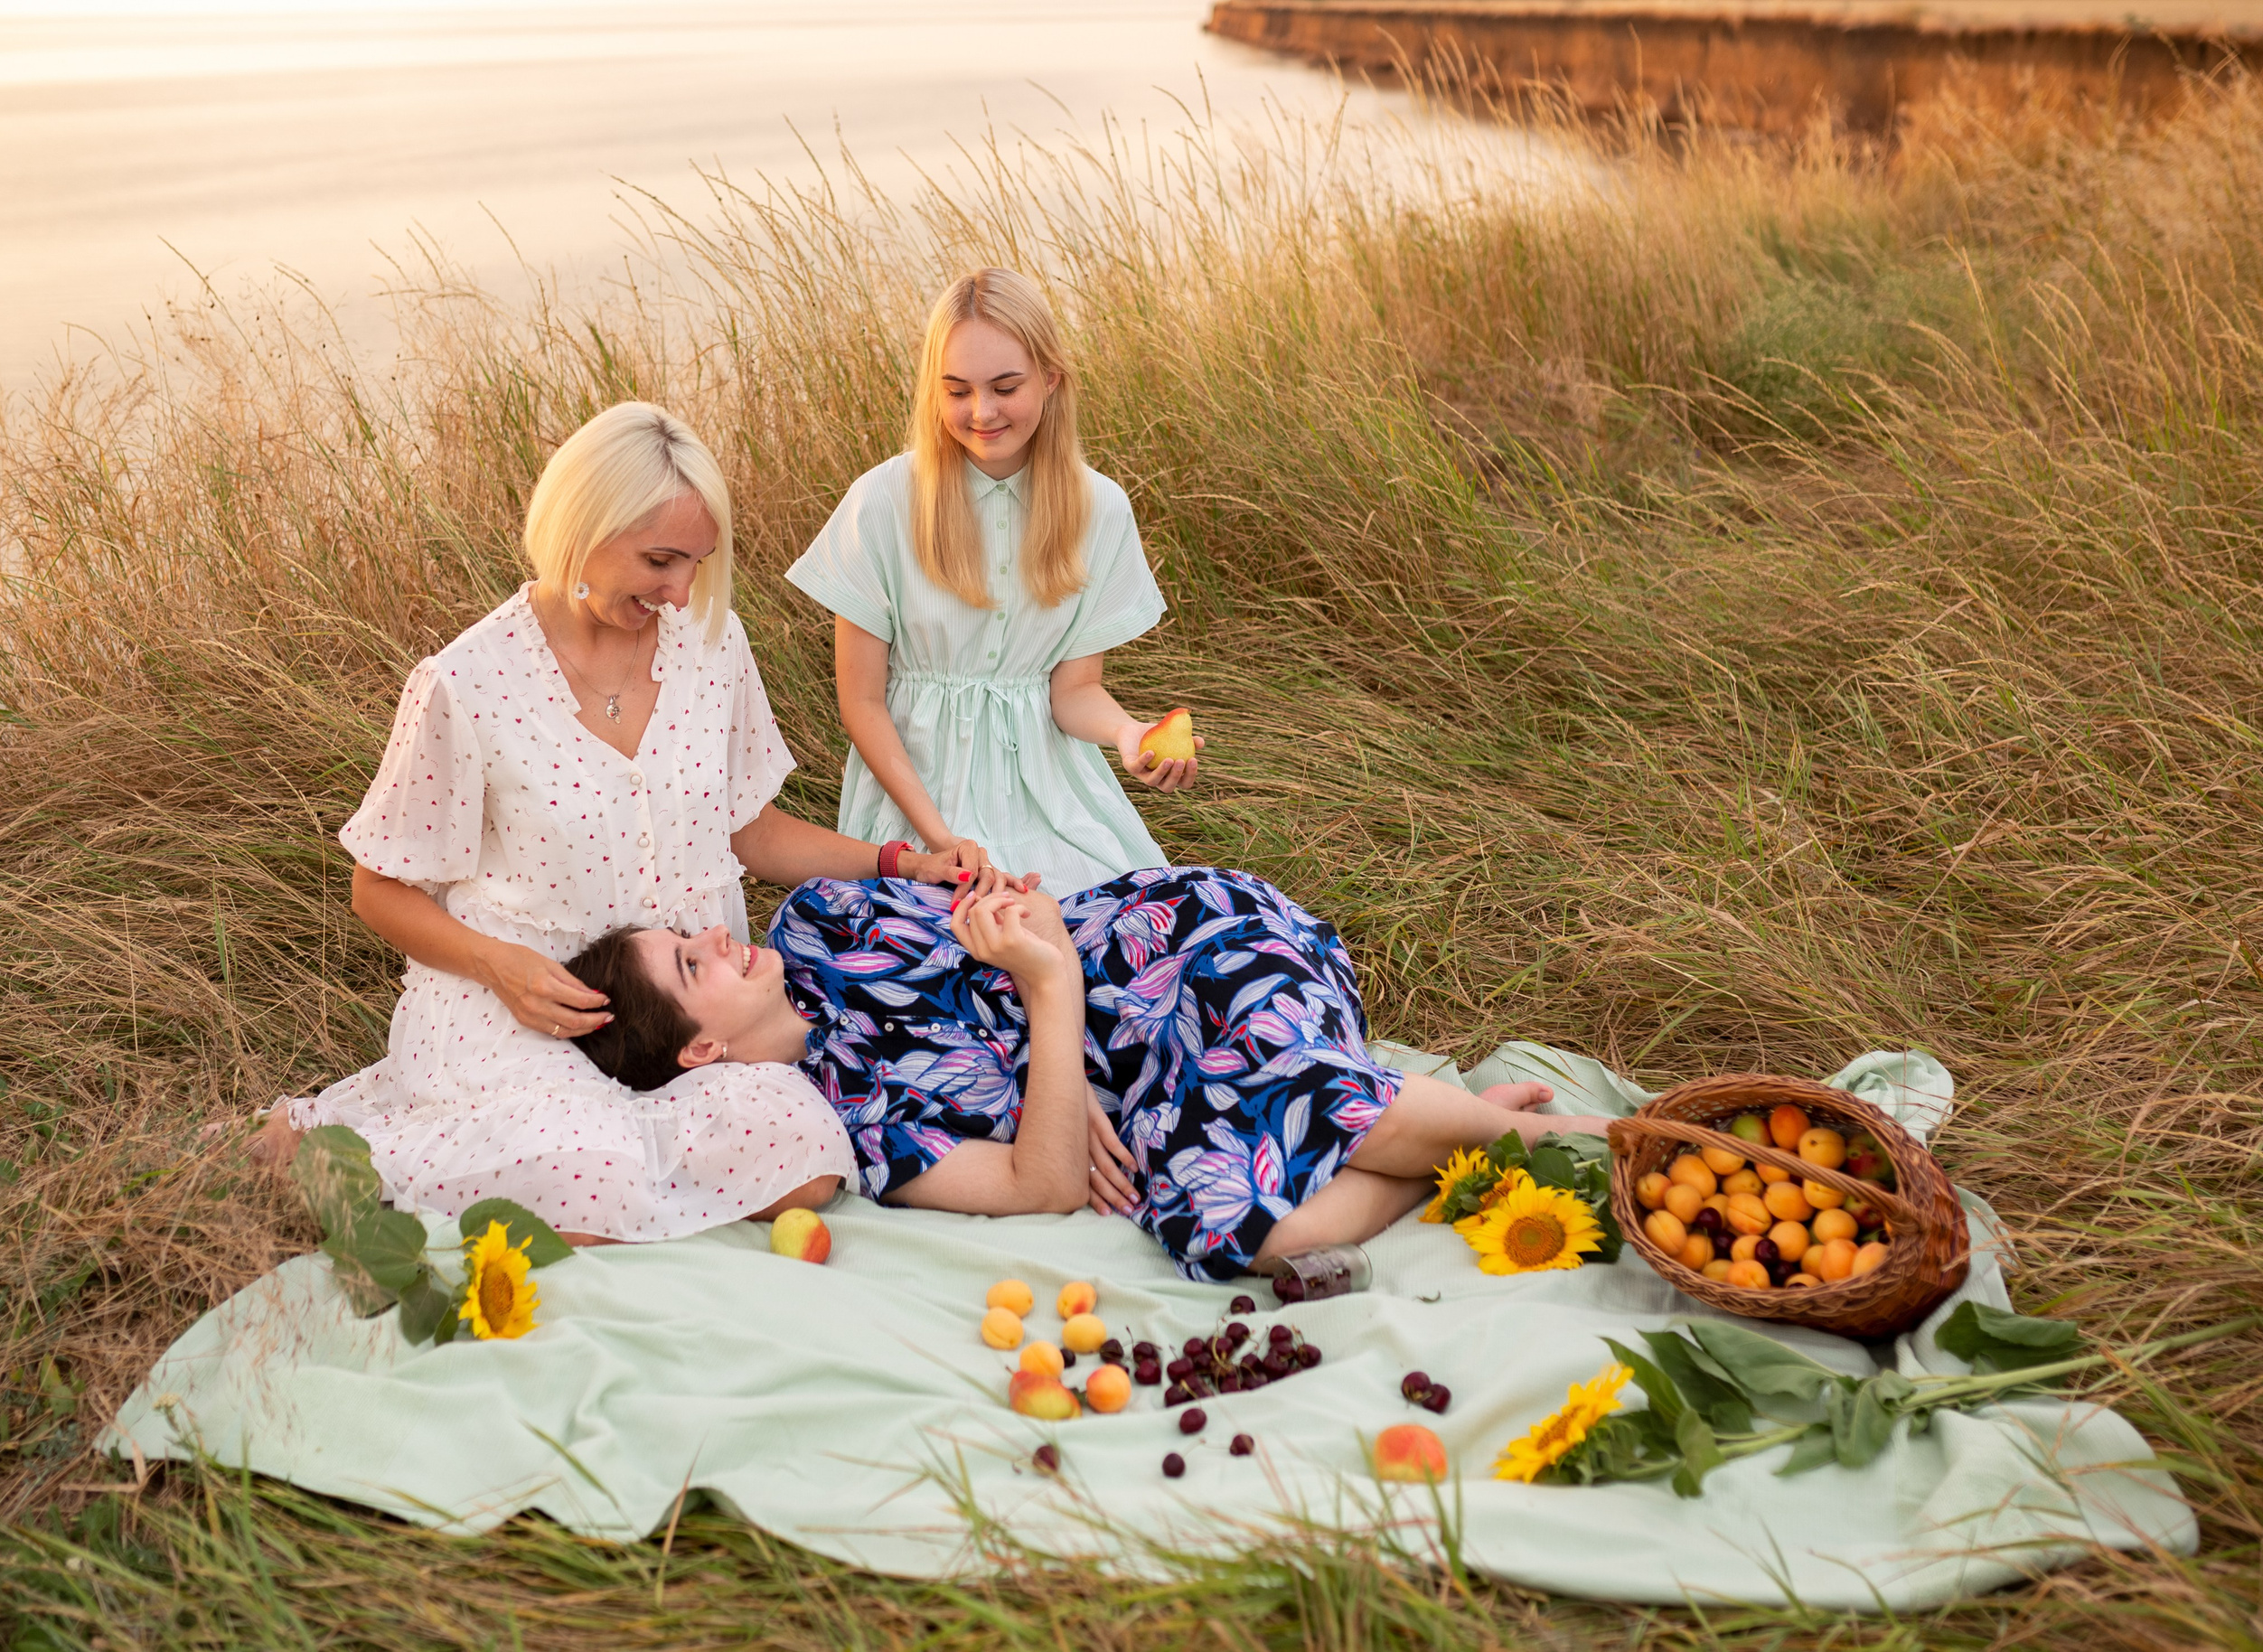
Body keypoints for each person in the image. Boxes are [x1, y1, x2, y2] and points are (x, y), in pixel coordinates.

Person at [250, 402, 986, 1244]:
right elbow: (379, 888)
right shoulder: (466, 683)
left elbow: (751, 831)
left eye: (697, 563)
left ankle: (580, 1177)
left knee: (806, 1149)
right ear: (581, 529)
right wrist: (501, 969)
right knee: (585, 1167)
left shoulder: (714, 644)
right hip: (517, 1016)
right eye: (660, 560)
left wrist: (896, 862)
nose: (680, 591)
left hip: (684, 1020)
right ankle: (325, 1154)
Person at [565, 868, 1609, 1280]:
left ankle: (1584, 1150)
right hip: (1145, 1067)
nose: (717, 935)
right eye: (692, 964)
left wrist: (1048, 959)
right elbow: (1044, 1185)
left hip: (1173, 944)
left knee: (1270, 1077)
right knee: (1240, 1233)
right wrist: (1050, 1016)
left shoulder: (824, 921)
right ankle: (1445, 1139)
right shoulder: (848, 1122)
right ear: (701, 1050)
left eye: (693, 935)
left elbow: (1026, 907)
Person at [786, 267, 1200, 896]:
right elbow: (862, 703)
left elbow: (1073, 691)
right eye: (956, 391)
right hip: (917, 799)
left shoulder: (1101, 508)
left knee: (1123, 935)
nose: (982, 412)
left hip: (1054, 792)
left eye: (1006, 386)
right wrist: (940, 841)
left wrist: (1129, 733)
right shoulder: (881, 503)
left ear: (1051, 377)